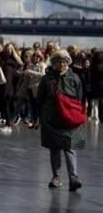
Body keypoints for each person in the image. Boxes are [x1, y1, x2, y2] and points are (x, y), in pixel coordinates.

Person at [37, 50, 85, 191]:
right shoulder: (46, 79)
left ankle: (74, 178)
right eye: (59, 61)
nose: (62, 64)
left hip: (72, 118)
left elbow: (80, 97)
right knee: (55, 149)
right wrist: (40, 118)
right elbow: (40, 100)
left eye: (64, 61)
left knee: (71, 148)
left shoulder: (75, 78)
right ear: (54, 63)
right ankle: (56, 177)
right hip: (52, 119)